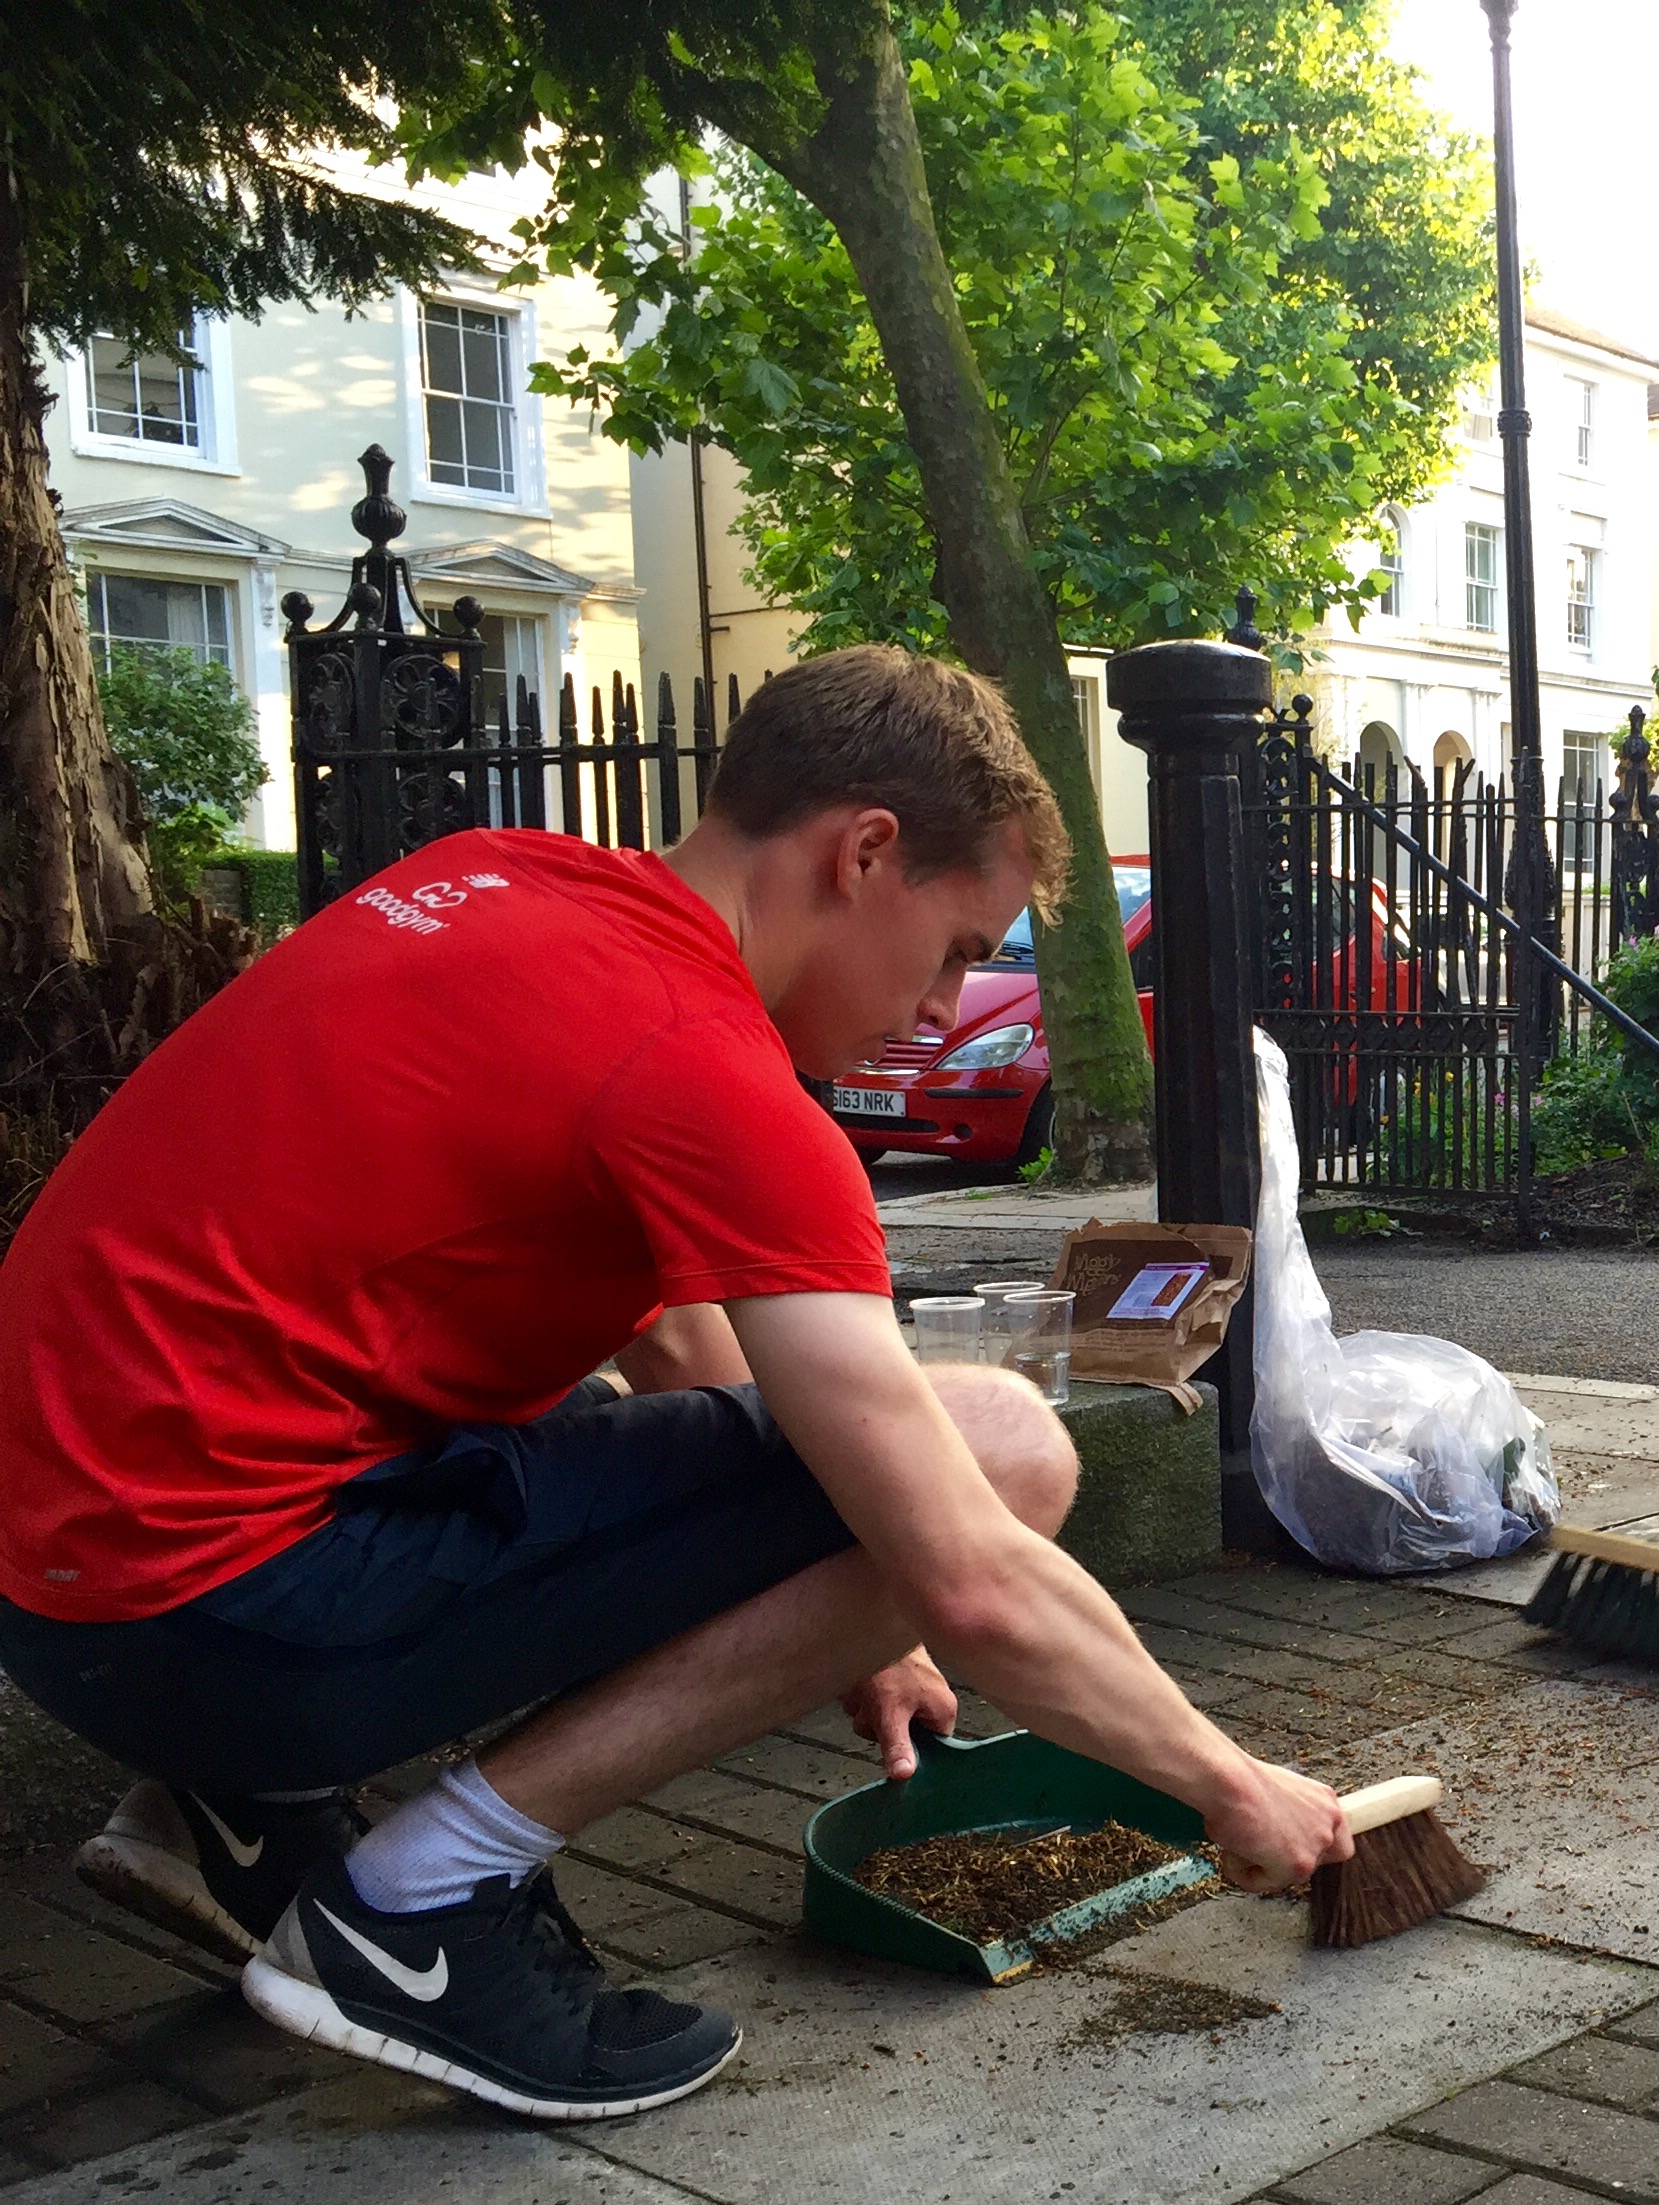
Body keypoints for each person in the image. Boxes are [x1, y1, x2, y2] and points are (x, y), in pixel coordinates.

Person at [0, 645, 1349, 2119]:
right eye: (964, 948)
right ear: (866, 853)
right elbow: (972, 1569)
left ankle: (229, 1815)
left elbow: (678, 1354)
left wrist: (856, 1616)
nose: (941, 1001)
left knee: (731, 1448)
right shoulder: (704, 1069)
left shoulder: (503, 880)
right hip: (216, 1616)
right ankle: (415, 1910)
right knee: (1003, 1447)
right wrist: (1230, 1782)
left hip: (73, 1590)